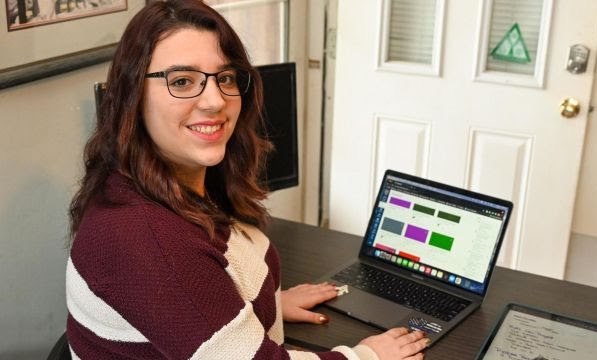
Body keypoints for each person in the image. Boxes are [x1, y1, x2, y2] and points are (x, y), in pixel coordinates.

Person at [65, 0, 429, 358]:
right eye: (182, 80)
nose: (214, 101)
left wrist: (258, 305)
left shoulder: (176, 185)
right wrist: (366, 356)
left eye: (224, 78)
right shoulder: (143, 237)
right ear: (132, 95)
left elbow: (192, 302)